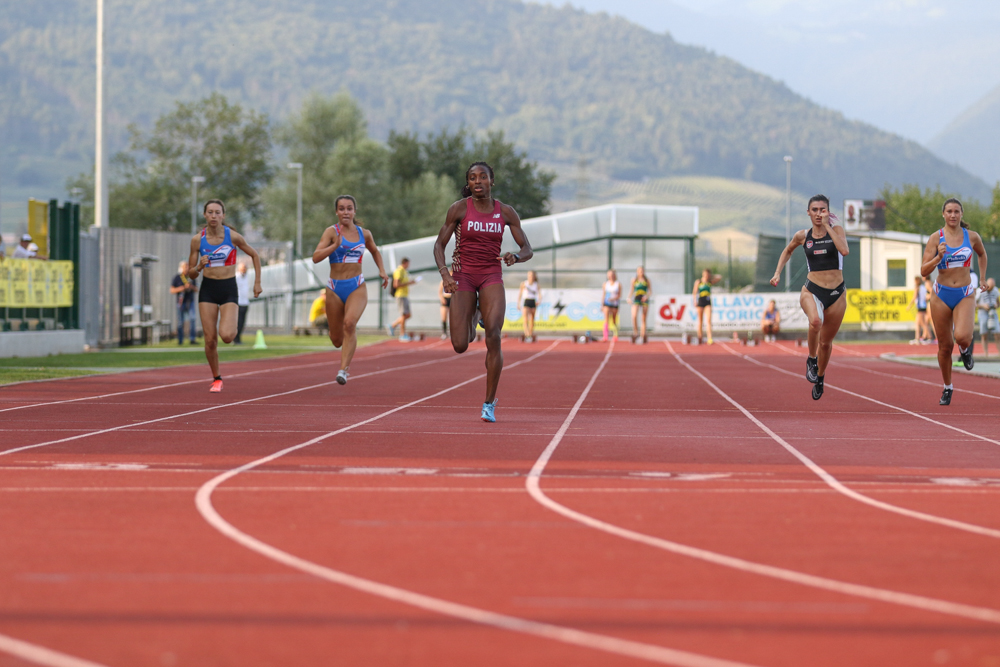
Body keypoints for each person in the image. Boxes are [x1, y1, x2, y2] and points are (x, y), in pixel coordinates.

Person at [433, 161, 533, 422]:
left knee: (494, 335)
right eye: (473, 178)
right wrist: (445, 275)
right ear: (468, 183)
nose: (478, 181)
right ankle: (476, 313)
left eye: (483, 177)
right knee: (460, 345)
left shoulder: (506, 212)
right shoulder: (458, 209)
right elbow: (439, 245)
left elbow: (527, 249)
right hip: (463, 275)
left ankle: (489, 403)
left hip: (491, 275)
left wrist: (515, 257)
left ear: (492, 181)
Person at [770, 194, 850, 400]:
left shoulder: (837, 230)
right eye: (815, 210)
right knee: (815, 321)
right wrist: (777, 273)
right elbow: (787, 251)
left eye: (823, 210)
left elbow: (844, 250)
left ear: (828, 212)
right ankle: (811, 360)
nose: (818, 214)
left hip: (837, 294)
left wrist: (828, 226)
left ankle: (820, 377)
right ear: (808, 212)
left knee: (826, 343)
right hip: (812, 290)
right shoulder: (803, 236)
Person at [186, 199, 262, 392]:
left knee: (227, 336)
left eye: (217, 212)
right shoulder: (197, 240)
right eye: (210, 212)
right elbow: (190, 274)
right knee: (210, 340)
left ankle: (230, 329)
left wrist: (257, 282)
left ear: (223, 215)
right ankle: (217, 378)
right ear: (205, 215)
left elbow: (254, 255)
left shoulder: (233, 237)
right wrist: (199, 266)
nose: (214, 216)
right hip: (208, 289)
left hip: (228, 288)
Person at [312, 195, 389, 384]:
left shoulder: (365, 234)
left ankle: (343, 370)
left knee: (350, 324)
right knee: (337, 340)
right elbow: (315, 257)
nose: (345, 212)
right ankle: (338, 341)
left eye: (349, 208)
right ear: (336, 212)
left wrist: (382, 270)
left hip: (356, 286)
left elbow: (375, 251)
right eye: (341, 209)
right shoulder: (331, 232)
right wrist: (334, 246)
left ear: (354, 211)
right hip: (334, 288)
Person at [921, 198, 988, 405]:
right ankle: (948, 387)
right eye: (949, 211)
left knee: (962, 337)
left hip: (964, 293)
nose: (953, 215)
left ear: (961, 214)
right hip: (941, 295)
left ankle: (965, 350)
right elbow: (923, 270)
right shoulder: (936, 238)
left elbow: (982, 254)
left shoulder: (972, 236)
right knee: (945, 346)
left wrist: (982, 278)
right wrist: (937, 258)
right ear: (943, 214)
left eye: (956, 211)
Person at [390, 258, 419, 342]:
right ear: (405, 263)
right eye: (408, 264)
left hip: (405, 295)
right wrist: (409, 283)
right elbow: (396, 284)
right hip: (400, 295)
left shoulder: (405, 272)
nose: (409, 265)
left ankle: (392, 325)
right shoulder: (399, 271)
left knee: (408, 315)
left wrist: (411, 283)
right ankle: (402, 335)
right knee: (403, 315)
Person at [170, 260, 198, 345]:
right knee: (180, 322)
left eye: (188, 266)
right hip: (181, 302)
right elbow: (172, 290)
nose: (187, 268)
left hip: (190, 302)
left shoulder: (191, 277)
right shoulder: (177, 277)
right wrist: (182, 288)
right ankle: (180, 340)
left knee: (192, 319)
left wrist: (191, 287)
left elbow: (197, 289)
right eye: (185, 266)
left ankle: (192, 339)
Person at [692, 268, 722, 344]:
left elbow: (719, 277)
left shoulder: (709, 282)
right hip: (700, 301)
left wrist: (712, 276)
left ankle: (709, 338)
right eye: (705, 274)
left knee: (708, 320)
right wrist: (694, 301)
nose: (706, 275)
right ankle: (700, 337)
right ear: (703, 274)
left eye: (707, 274)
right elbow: (694, 292)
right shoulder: (699, 281)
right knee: (700, 321)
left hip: (707, 301)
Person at [977, 277, 999, 358]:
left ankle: (999, 353)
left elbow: (998, 302)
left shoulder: (995, 290)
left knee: (997, 333)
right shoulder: (979, 291)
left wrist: (996, 305)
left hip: (993, 313)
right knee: (984, 334)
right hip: (983, 313)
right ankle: (986, 354)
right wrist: (983, 306)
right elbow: (974, 304)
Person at [629, 266, 651, 344]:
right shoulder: (634, 280)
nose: (641, 272)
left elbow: (650, 291)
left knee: (643, 318)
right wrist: (629, 298)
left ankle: (642, 335)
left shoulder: (647, 280)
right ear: (637, 272)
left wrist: (646, 296)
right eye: (639, 271)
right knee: (634, 316)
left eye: (642, 271)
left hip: (644, 298)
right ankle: (636, 332)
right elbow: (631, 290)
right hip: (637, 298)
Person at [517, 270, 541, 342]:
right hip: (526, 301)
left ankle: (530, 334)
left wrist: (539, 300)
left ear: (534, 276)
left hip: (532, 301)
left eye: (532, 275)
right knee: (525, 319)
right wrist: (518, 303)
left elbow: (539, 294)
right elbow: (520, 294)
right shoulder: (524, 283)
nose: (530, 277)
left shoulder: (536, 284)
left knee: (532, 320)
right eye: (529, 275)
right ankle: (527, 334)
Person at [907, 275, 931, 345]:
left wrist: (909, 306)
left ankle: (929, 337)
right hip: (923, 306)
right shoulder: (923, 287)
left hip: (920, 306)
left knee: (923, 323)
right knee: (917, 323)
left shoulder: (917, 288)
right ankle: (917, 338)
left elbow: (914, 297)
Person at [601, 269, 621, 342]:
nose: (611, 276)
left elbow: (619, 295)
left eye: (612, 275)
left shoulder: (618, 284)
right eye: (609, 275)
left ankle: (615, 335)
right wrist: (602, 304)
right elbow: (603, 294)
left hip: (614, 304)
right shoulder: (605, 284)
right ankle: (605, 336)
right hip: (607, 303)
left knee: (614, 320)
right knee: (606, 319)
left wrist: (613, 299)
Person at [234, 261, 250, 344]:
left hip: (245, 302)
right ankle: (235, 338)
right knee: (238, 322)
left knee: (242, 322)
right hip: (238, 302)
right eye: (243, 268)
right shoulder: (236, 277)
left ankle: (238, 337)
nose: (244, 269)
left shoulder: (247, 277)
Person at [439, 268, 454, 340]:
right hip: (445, 299)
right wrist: (442, 298)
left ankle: (452, 332)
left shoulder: (455, 282)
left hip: (452, 299)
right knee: (444, 316)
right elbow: (439, 292)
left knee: (452, 317)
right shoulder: (443, 281)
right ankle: (444, 333)